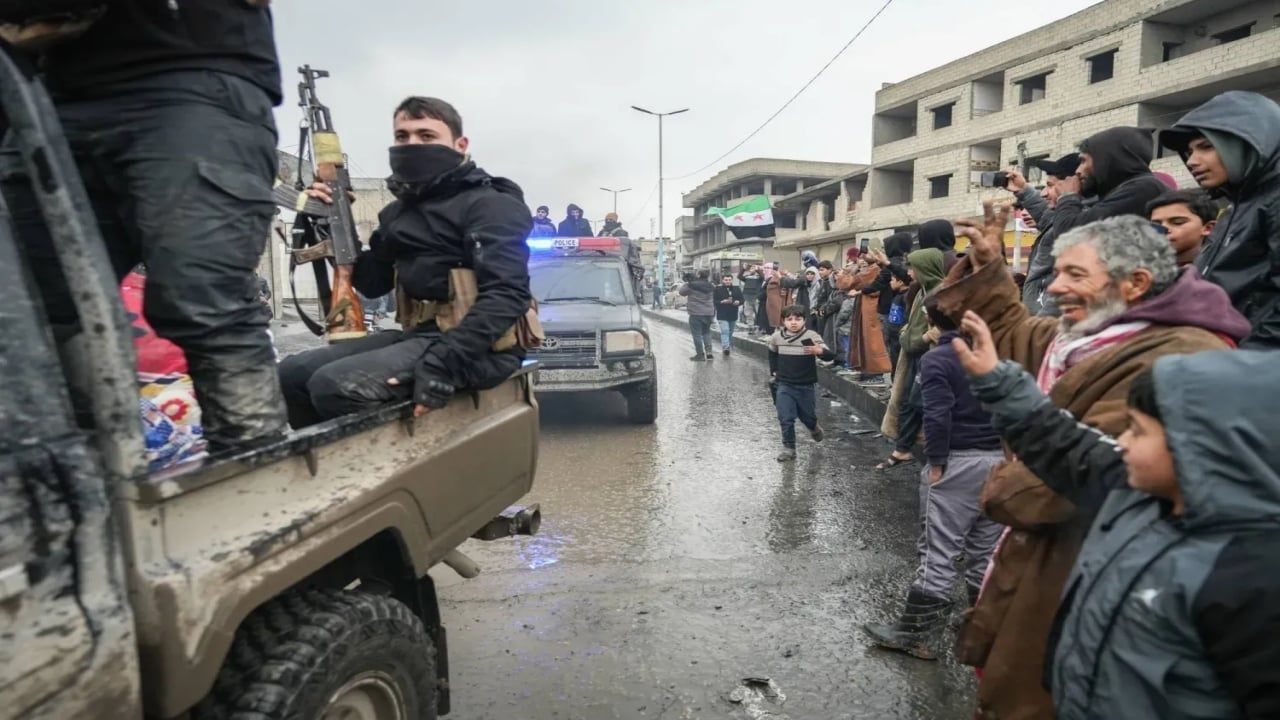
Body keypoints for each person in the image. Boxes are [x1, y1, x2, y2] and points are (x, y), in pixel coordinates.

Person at [936, 202, 1250, 720]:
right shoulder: (1084, 337)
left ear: (1134, 283)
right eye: (1056, 272)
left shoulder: (1180, 355)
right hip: (1060, 553)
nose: (1054, 288)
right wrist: (988, 265)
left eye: (1074, 274)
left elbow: (1085, 475)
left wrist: (1001, 486)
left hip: (1093, 558)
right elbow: (1014, 327)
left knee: (1049, 687)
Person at [952, 317, 1280, 720]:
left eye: (1138, 431)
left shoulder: (1254, 583)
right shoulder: (1134, 493)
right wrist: (998, 382)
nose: (1121, 441)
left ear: (1198, 447)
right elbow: (1070, 447)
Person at [1, 1, 286, 452]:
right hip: (40, 90)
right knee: (33, 317)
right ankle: (89, 489)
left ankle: (259, 485)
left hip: (189, 70)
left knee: (201, 299)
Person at [277, 96, 532, 427]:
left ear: (460, 144)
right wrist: (331, 219)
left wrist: (444, 363)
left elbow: (507, 295)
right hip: (421, 335)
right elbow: (372, 282)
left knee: (338, 387)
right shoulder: (398, 213)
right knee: (290, 375)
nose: (412, 144)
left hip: (483, 347)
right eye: (403, 136)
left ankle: (401, 471)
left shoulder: (490, 205)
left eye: (426, 136)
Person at [863, 299, 1005, 659]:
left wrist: (938, 462)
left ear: (930, 319)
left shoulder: (938, 360)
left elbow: (937, 414)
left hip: (956, 462)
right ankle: (983, 629)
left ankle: (914, 636)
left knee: (938, 551)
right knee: (986, 552)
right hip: (997, 462)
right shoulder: (997, 352)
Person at [1161, 91, 1280, 349]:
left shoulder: (1274, 201)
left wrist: (1245, 361)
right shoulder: (1238, 205)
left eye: (1206, 146)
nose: (1192, 161)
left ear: (1248, 143)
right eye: (1189, 151)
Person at [878, 248, 947, 470]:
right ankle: (903, 448)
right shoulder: (922, 290)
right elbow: (914, 319)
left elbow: (947, 325)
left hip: (930, 356)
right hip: (914, 354)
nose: (910, 272)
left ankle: (928, 453)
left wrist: (927, 336)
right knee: (908, 401)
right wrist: (907, 333)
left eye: (913, 267)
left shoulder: (941, 292)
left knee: (919, 402)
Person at [768, 305, 833, 462]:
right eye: (789, 319)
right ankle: (789, 448)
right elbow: (772, 353)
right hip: (784, 384)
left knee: (807, 416)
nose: (794, 323)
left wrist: (820, 352)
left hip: (805, 385)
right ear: (783, 321)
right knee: (785, 417)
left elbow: (829, 355)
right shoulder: (777, 337)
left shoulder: (810, 337)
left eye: (798, 319)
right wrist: (774, 371)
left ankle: (814, 427)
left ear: (804, 320)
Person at [1147, 189, 1217, 268]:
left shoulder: (1221, 270)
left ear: (1208, 228)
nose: (1164, 229)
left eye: (1177, 222)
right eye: (1156, 224)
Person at [679, 269, 716, 361]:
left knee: (697, 334)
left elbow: (681, 292)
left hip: (696, 313)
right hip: (709, 313)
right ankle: (709, 353)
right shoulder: (711, 285)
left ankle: (700, 354)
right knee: (706, 332)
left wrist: (688, 282)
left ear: (699, 275)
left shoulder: (691, 285)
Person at [712, 274, 744, 356]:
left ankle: (728, 345)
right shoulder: (718, 289)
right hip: (722, 314)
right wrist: (721, 302)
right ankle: (726, 347)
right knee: (725, 330)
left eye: (729, 280)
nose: (728, 281)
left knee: (730, 331)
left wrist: (739, 302)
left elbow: (742, 299)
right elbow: (714, 301)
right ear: (723, 280)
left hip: (733, 313)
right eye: (726, 280)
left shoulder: (736, 289)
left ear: (732, 280)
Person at [738, 264, 763, 333]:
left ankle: (760, 327)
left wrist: (758, 270)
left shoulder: (759, 278)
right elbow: (739, 276)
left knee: (758, 313)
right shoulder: (747, 277)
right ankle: (750, 327)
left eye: (754, 267)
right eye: (751, 267)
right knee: (748, 313)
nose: (752, 269)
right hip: (747, 297)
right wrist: (743, 269)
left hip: (756, 297)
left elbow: (762, 277)